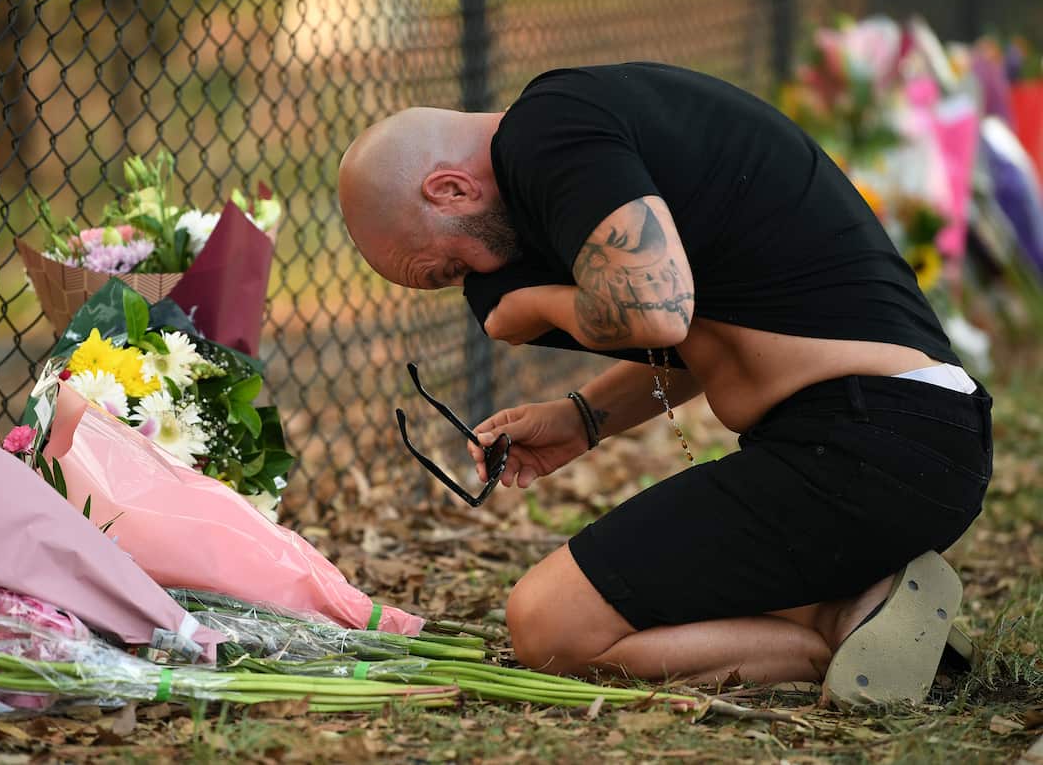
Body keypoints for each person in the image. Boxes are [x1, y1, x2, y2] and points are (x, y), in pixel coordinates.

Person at [336, 63, 993, 706]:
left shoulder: (547, 133)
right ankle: (864, 599)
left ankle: (834, 629)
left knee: (550, 624)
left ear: (451, 189)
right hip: (902, 440)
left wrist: (532, 306)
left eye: (447, 268)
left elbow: (656, 309)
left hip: (866, 444)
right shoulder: (587, 135)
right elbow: (705, 329)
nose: (470, 284)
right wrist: (582, 418)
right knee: (593, 605)